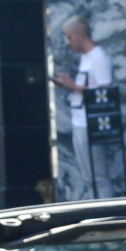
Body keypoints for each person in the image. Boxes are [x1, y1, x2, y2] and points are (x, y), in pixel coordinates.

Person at [53, 17, 116, 199]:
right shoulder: (87, 58)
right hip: (80, 121)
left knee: (99, 178)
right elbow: (88, 89)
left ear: (80, 35)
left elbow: (106, 94)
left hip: (92, 124)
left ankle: (109, 217)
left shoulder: (99, 58)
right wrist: (69, 85)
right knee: (89, 178)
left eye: (70, 37)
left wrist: (74, 86)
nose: (68, 42)